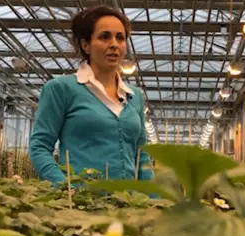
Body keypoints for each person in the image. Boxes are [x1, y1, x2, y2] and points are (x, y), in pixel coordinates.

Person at [29, 5, 154, 188]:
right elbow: (40, 146)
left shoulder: (134, 96)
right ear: (85, 45)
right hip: (81, 206)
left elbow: (141, 157)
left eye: (120, 38)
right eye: (105, 37)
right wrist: (64, 187)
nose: (114, 44)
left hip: (128, 207)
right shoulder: (61, 89)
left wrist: (153, 202)